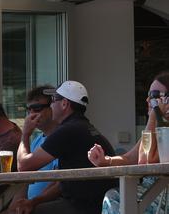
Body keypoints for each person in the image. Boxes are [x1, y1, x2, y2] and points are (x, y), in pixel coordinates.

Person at [17, 80, 117, 213]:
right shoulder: (83, 127)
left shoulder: (68, 131)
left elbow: (24, 167)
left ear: (64, 104)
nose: (51, 105)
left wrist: (25, 134)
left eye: (53, 100)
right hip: (93, 203)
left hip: (83, 206)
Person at [87, 71, 169, 214]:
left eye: (154, 95)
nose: (148, 100)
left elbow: (144, 161)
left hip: (162, 197)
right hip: (154, 195)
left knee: (115, 198)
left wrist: (152, 118)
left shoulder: (159, 127)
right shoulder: (157, 127)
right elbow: (130, 158)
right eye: (149, 95)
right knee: (113, 196)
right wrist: (106, 160)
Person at [10, 86, 60, 214]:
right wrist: (14, 208)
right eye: (29, 109)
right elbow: (25, 178)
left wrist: (33, 202)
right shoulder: (37, 140)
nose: (32, 114)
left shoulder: (62, 137)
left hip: (46, 206)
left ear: (53, 108)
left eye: (37, 108)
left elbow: (58, 185)